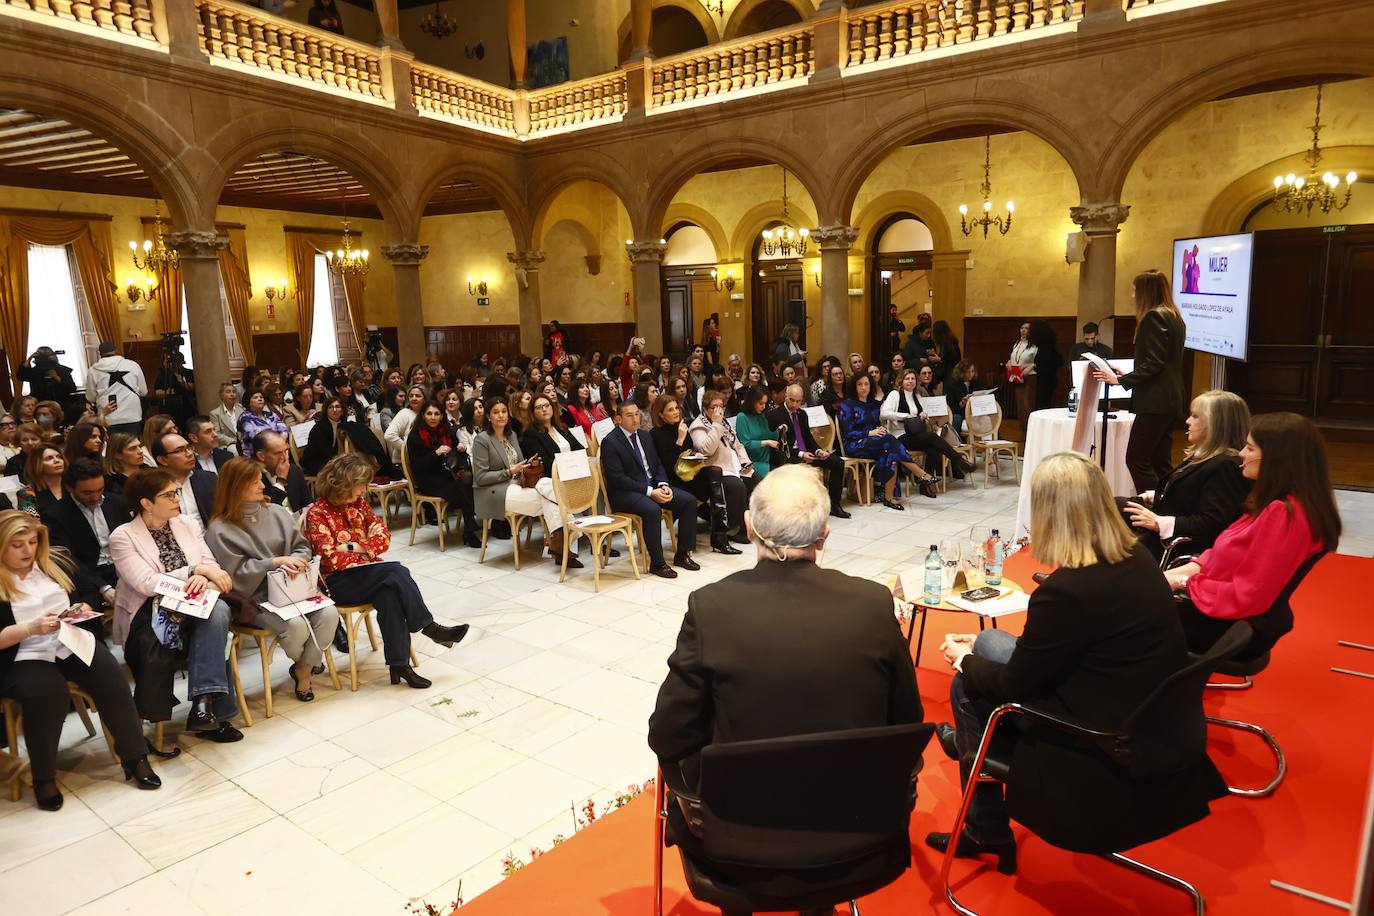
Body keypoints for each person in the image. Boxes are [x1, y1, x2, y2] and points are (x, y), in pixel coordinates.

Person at [928, 451, 1222, 869]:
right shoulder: (1135, 556)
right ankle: (970, 743)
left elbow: (1015, 686)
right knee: (991, 638)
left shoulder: (1068, 590)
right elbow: (1059, 649)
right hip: (1145, 708)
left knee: (967, 687)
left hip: (1093, 736)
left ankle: (983, 824)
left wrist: (963, 660)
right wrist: (979, 649)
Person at [649, 466, 922, 903]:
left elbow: (667, 732)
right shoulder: (872, 603)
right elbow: (907, 719)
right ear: (824, 535)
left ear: (749, 525)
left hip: (740, 841)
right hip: (857, 830)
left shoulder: (712, 607)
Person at [0, 511, 160, 810]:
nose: (27, 551)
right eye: (17, 545)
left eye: (32, 542)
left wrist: (85, 604)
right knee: (48, 693)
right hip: (23, 654)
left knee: (111, 678)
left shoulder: (54, 562)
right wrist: (29, 629)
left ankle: (135, 758)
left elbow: (89, 588)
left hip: (68, 640)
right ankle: (44, 777)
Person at [1164, 412, 1340, 659]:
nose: (1241, 454)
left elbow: (1249, 595)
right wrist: (1168, 577)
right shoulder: (1279, 502)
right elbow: (1217, 556)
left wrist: (1181, 583)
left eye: (1249, 448)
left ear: (1276, 458)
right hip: (1223, 612)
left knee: (1119, 614)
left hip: (1232, 625)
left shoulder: (1284, 514)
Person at [304, 455, 468, 688]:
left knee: (389, 593)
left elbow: (383, 537)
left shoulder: (358, 504)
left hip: (371, 574)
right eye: (360, 484)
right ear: (343, 483)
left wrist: (351, 546)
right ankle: (429, 627)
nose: (364, 490)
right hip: (339, 583)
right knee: (397, 571)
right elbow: (331, 559)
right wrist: (365, 548)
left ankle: (399, 665)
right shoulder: (317, 513)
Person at [110, 468, 241, 742]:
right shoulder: (123, 537)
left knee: (217, 612)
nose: (176, 498)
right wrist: (194, 572)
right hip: (150, 611)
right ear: (146, 503)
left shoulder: (187, 524)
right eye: (168, 494)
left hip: (195, 601)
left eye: (176, 492)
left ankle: (204, 705)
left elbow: (210, 564)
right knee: (217, 619)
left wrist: (204, 577)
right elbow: (146, 582)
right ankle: (209, 710)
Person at [205, 458, 339, 704]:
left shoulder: (277, 512)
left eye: (260, 479)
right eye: (254, 481)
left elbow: (301, 546)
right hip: (257, 596)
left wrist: (295, 561)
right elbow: (235, 574)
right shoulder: (219, 529)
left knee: (330, 614)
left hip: (295, 587)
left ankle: (303, 669)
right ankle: (306, 669)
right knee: (297, 626)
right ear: (235, 486)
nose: (262, 485)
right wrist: (274, 562)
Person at [1120, 390, 1250, 559]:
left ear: (1215, 425)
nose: (1188, 422)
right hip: (1163, 522)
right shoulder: (1206, 455)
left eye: (1195, 417)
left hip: (1174, 542)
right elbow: (1195, 492)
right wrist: (1155, 495)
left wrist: (1159, 523)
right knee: (1108, 507)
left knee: (1104, 527)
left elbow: (1214, 523)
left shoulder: (1225, 465)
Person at [1093, 270, 1189, 493]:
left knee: (1136, 460)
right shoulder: (1174, 317)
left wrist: (1119, 380)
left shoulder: (1153, 317)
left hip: (1155, 401)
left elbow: (1155, 363)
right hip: (1171, 398)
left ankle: (1155, 511)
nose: (1133, 294)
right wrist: (1126, 372)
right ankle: (1167, 508)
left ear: (1147, 291)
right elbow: (1162, 361)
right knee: (1160, 462)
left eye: (1136, 290)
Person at [471, 397, 579, 566]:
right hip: (495, 491)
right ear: (488, 416)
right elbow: (480, 477)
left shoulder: (511, 435)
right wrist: (509, 472)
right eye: (496, 412)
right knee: (550, 499)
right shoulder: (482, 440)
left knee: (547, 486)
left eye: (504, 411)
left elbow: (522, 463)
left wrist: (531, 464)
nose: (501, 415)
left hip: (519, 484)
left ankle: (560, 544)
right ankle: (571, 531)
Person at [601, 400, 700, 578]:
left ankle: (682, 554)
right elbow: (618, 479)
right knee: (652, 509)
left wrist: (663, 484)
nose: (635, 419)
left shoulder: (645, 436)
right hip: (626, 493)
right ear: (618, 419)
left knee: (688, 501)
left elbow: (657, 465)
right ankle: (658, 563)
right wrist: (649, 492)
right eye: (629, 415)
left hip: (652, 487)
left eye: (637, 414)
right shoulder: (610, 442)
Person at [837, 373, 938, 508]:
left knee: (890, 453)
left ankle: (889, 498)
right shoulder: (847, 405)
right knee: (890, 440)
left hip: (874, 442)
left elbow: (875, 425)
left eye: (866, 384)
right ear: (854, 387)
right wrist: (870, 433)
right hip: (855, 444)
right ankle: (920, 473)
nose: (863, 387)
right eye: (860, 384)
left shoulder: (873, 405)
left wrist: (879, 429)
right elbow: (848, 433)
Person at [40, 458, 131, 605]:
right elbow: (67, 558)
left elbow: (131, 541)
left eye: (100, 490)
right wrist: (103, 588)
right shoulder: (55, 514)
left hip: (123, 567)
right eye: (87, 493)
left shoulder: (116, 503)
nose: (95, 497)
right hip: (87, 575)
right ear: (70, 488)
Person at [768, 383, 851, 519]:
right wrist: (801, 454)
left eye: (798, 401)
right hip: (788, 455)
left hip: (806, 453)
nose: (794, 405)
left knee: (837, 462)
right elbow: (780, 445)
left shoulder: (802, 414)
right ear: (786, 397)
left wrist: (818, 451)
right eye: (791, 400)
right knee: (800, 465)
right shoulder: (775, 415)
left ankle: (834, 504)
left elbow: (808, 438)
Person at [687, 390, 757, 547]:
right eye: (714, 407)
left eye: (721, 406)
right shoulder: (697, 426)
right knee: (737, 487)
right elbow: (707, 450)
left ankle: (753, 524)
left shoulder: (725, 422)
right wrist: (716, 424)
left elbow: (737, 444)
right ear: (705, 409)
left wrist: (745, 461)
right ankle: (736, 529)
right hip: (716, 470)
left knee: (756, 481)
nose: (719, 411)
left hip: (735, 466)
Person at [406, 402, 481, 549]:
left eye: (437, 414)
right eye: (429, 414)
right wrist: (436, 453)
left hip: (447, 473)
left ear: (442, 416)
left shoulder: (446, 431)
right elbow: (417, 466)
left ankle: (470, 528)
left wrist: (460, 448)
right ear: (423, 415)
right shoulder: (415, 435)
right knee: (464, 485)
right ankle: (470, 529)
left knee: (468, 479)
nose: (433, 417)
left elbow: (453, 454)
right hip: (428, 478)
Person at [881, 369, 974, 481]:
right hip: (899, 436)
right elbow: (884, 413)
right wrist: (906, 416)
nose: (910, 381)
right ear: (901, 381)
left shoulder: (917, 397)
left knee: (934, 449)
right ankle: (959, 460)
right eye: (907, 378)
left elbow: (919, 418)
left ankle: (926, 484)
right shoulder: (895, 394)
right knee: (933, 437)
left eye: (913, 379)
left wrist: (923, 415)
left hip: (914, 435)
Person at [152, 432, 214, 529]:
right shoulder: (154, 488)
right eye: (179, 451)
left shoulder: (208, 479)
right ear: (162, 460)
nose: (189, 454)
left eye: (189, 448)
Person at [86, 341, 147, 436]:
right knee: (131, 445)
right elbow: (144, 391)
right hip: (132, 415)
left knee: (113, 448)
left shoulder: (93, 370)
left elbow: (91, 397)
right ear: (116, 350)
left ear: (99, 353)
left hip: (108, 416)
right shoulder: (133, 365)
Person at [252, 431, 311, 513]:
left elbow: (308, 504)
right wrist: (281, 481)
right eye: (278, 453)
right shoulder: (252, 478)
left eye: (286, 451)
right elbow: (266, 513)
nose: (285, 457)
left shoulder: (294, 470)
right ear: (261, 456)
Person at [732, 385, 778, 480]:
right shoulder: (742, 417)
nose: (763, 406)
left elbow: (768, 435)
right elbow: (745, 444)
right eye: (761, 403)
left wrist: (779, 431)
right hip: (752, 463)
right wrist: (767, 442)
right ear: (752, 401)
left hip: (767, 460)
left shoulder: (761, 416)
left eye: (765, 403)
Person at [20, 348, 79, 417]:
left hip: (61, 404)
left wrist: (57, 378)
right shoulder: (35, 371)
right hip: (40, 404)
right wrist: (29, 359)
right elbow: (22, 376)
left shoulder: (63, 370)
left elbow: (72, 388)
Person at [17, 444, 67, 516]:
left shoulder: (74, 485)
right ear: (37, 464)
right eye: (49, 458)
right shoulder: (27, 494)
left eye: (59, 457)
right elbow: (32, 522)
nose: (57, 461)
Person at [237, 390, 288, 459]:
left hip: (277, 450)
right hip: (255, 456)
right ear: (248, 402)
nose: (260, 399)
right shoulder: (245, 418)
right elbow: (255, 437)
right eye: (255, 397)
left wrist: (280, 442)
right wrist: (277, 442)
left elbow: (284, 429)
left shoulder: (271, 414)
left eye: (261, 397)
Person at [1004, 321, 1035, 435]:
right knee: (1020, 405)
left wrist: (1029, 366)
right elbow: (1013, 357)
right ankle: (1022, 430)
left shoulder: (1034, 345)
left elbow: (1036, 362)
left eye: (1026, 328)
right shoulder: (1017, 343)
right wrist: (1009, 363)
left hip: (1029, 376)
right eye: (1022, 328)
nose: (1023, 330)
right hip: (1016, 375)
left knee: (1027, 405)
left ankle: (1029, 432)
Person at [384, 385, 428, 461]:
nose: (414, 398)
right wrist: (408, 449)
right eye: (411, 396)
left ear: (424, 399)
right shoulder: (404, 413)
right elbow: (389, 435)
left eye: (418, 396)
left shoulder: (427, 414)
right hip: (404, 461)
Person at [1028, 320, 1062, 411]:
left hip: (1044, 380)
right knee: (1044, 404)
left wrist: (1034, 365)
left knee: (1041, 404)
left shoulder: (1043, 348)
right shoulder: (1050, 346)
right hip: (1050, 378)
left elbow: (1043, 364)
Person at [103, 432, 144, 497]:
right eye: (132, 448)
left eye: (139, 446)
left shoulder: (152, 472)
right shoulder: (111, 484)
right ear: (117, 455)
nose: (140, 451)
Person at [209, 382, 243, 453]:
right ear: (221, 395)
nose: (232, 394)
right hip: (227, 444)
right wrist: (234, 441)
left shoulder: (242, 409)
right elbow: (217, 434)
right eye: (228, 392)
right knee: (234, 450)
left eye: (234, 392)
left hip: (243, 441)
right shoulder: (215, 413)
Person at [928, 320, 962, 389]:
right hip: (954, 373)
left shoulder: (946, 343)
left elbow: (951, 359)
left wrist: (938, 359)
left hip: (950, 374)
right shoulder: (951, 341)